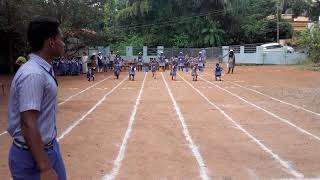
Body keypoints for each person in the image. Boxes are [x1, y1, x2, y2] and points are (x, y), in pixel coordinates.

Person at [7, 16, 66, 180]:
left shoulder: (43, 68)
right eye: (60, 37)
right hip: (32, 156)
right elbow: (28, 122)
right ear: (51, 41)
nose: (63, 42)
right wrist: (45, 167)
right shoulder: (33, 74)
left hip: (49, 148)